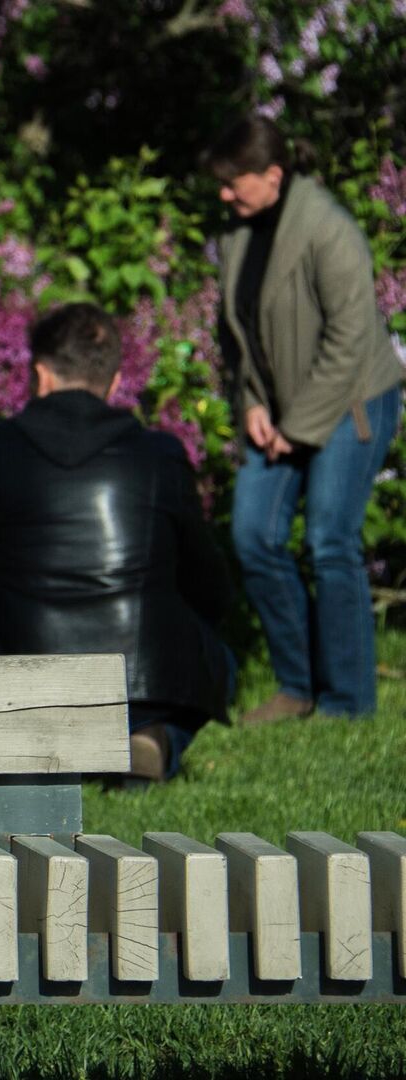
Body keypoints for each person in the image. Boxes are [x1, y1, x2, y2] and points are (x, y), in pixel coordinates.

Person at [0, 303, 235, 781]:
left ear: (41, 376)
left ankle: (4, 729)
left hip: (23, 672)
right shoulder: (162, 455)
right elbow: (207, 581)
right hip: (140, 683)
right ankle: (153, 736)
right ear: (114, 379)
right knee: (213, 643)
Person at [208, 115, 402, 724]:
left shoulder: (329, 230)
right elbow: (234, 337)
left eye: (233, 181)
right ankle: (297, 686)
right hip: (279, 412)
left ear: (272, 174)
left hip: (353, 403)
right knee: (254, 536)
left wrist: (297, 426)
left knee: (328, 541)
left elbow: (349, 341)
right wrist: (253, 405)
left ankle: (347, 700)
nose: (224, 193)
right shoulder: (238, 235)